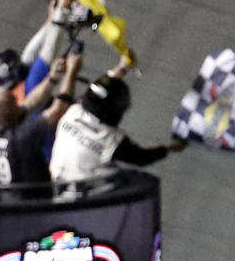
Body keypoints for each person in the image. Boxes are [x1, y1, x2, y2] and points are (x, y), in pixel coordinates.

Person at [49, 53, 186, 189]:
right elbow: (141, 158)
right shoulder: (110, 139)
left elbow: (98, 91)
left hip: (54, 181)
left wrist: (121, 68)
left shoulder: (73, 112)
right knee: (135, 181)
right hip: (83, 196)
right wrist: (169, 147)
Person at [0, 51, 83, 199]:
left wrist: (52, 78)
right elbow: (59, 108)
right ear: (11, 110)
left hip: (7, 202)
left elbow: (28, 104)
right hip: (32, 207)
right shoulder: (21, 138)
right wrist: (71, 72)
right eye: (14, 100)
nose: (19, 101)